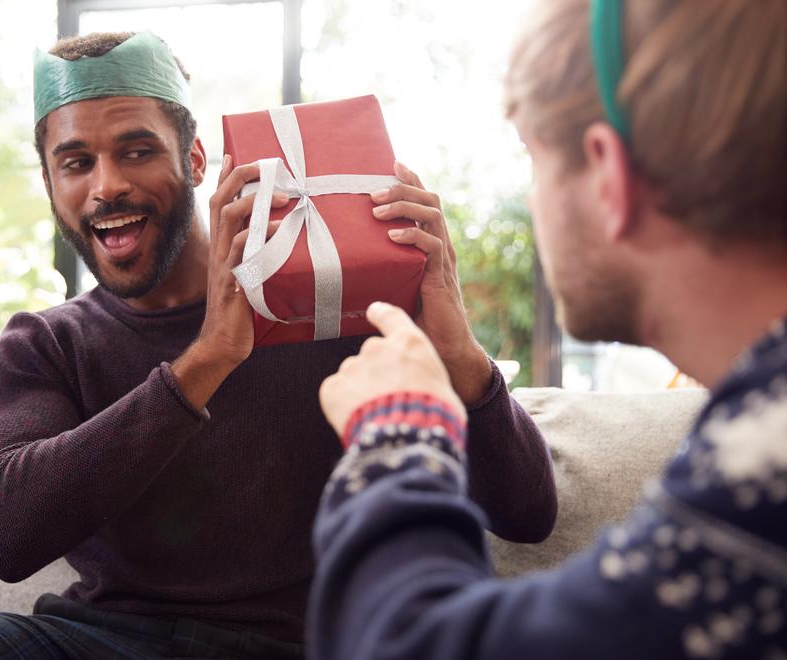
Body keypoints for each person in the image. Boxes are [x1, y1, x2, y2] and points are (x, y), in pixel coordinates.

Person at [0, 31, 555, 659]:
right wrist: (207, 360)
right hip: (92, 641)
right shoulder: (45, 345)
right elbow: (7, 536)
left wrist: (456, 346)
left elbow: (526, 511)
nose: (105, 186)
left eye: (136, 150)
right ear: (52, 183)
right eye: (76, 163)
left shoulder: (336, 309)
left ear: (194, 161)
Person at [309, 0, 787, 658]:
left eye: (534, 161)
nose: (534, 203)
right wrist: (463, 362)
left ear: (607, 177)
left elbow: (411, 644)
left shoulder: (764, 463)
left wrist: (398, 429)